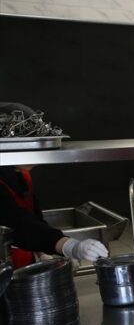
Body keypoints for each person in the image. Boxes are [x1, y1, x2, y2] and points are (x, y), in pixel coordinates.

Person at [1, 103, 108, 266]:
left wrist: (43, 252)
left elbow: (32, 218)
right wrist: (68, 245)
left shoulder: (22, 173)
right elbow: (16, 222)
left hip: (21, 264)